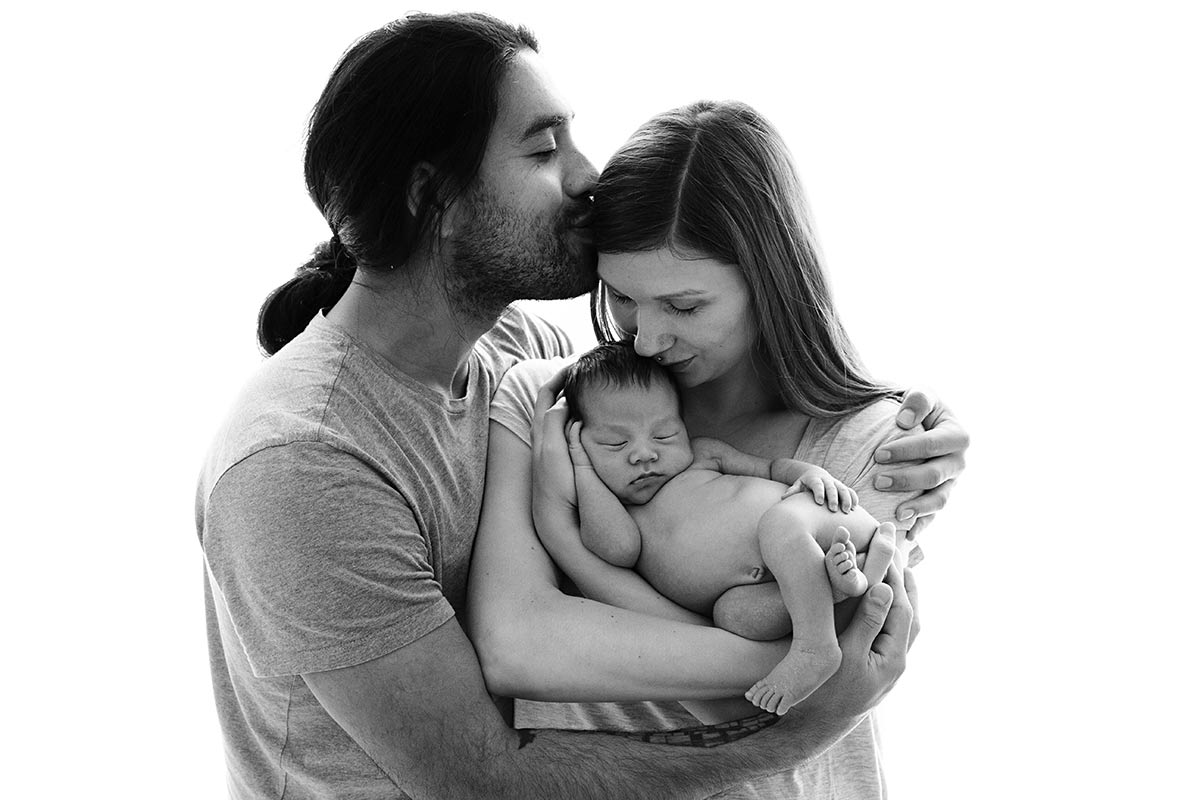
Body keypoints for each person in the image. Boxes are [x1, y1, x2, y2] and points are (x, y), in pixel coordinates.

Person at [196, 13, 958, 800]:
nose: (589, 174)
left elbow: (715, 389)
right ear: (433, 196)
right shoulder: (302, 462)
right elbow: (485, 779)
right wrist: (804, 710)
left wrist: (903, 424)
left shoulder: (522, 354)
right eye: (543, 149)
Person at [469, 98, 968, 799]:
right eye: (621, 297)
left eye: (684, 305)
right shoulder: (549, 402)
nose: (646, 340)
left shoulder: (874, 444)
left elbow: (776, 703)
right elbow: (515, 647)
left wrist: (575, 560)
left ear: (769, 281)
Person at [557, 340, 896, 716]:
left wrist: (811, 475)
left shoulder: (704, 455)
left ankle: (815, 646)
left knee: (779, 524)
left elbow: (771, 469)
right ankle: (830, 586)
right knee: (733, 617)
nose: (644, 454)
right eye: (614, 444)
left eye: (664, 435)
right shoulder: (619, 516)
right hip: (776, 580)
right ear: (579, 442)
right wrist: (583, 470)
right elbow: (616, 549)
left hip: (813, 520)